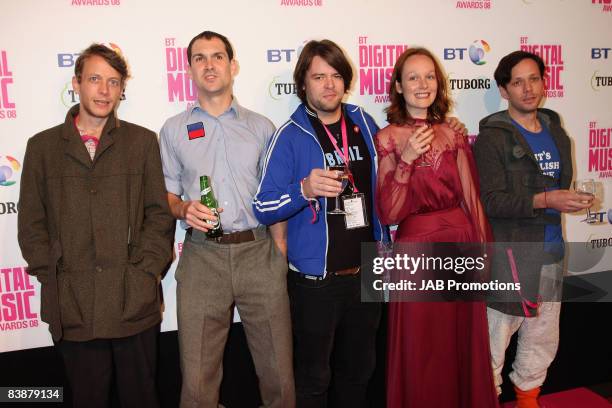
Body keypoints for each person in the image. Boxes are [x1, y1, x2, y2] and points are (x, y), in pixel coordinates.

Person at [17, 43, 174, 408]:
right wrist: (55, 275)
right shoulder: (41, 148)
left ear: (122, 89)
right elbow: (30, 225)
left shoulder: (141, 141)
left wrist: (144, 273)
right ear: (77, 83)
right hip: (74, 306)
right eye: (95, 79)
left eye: (114, 82)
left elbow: (159, 216)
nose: (104, 90)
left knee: (142, 398)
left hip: (133, 303)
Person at [159, 31, 294, 408]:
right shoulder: (172, 130)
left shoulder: (262, 127)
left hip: (259, 251)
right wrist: (183, 208)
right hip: (203, 257)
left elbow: (276, 195)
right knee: (198, 378)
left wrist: (279, 250)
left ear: (232, 66)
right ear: (189, 70)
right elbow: (167, 194)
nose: (209, 64)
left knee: (278, 373)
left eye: (217, 56)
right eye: (199, 58)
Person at [252, 39, 388, 408]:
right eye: (319, 76)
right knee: (313, 380)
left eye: (336, 75)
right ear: (303, 85)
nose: (329, 84)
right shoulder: (289, 136)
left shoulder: (363, 120)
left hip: (367, 273)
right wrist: (305, 188)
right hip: (316, 284)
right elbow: (263, 206)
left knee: (359, 372)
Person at [375, 47, 499, 408]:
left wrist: (485, 255)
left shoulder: (453, 133)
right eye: (413, 77)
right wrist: (407, 161)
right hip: (416, 250)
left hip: (460, 243)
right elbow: (390, 214)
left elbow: (472, 199)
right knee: (422, 347)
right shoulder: (387, 139)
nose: (422, 84)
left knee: (460, 344)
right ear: (398, 86)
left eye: (430, 76)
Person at [473, 50, 593, 408]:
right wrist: (545, 200)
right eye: (517, 82)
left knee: (541, 340)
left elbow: (563, 186)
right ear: (504, 90)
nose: (528, 89)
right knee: (495, 341)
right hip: (510, 255)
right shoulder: (493, 137)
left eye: (534, 79)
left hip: (552, 252)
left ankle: (528, 400)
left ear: (545, 81)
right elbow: (490, 201)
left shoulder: (557, 133)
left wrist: (566, 200)